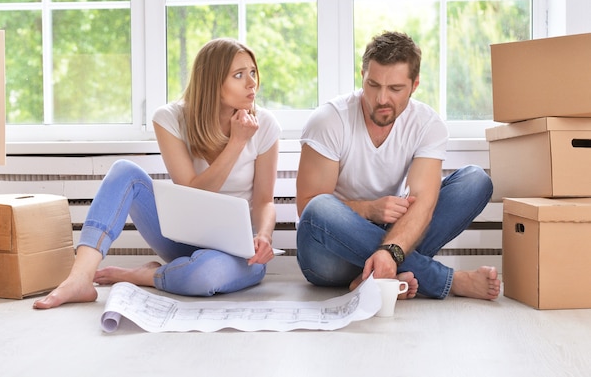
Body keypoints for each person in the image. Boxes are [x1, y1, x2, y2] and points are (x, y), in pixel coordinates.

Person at [34, 38, 281, 309]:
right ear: (212, 82)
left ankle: (146, 275)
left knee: (205, 275)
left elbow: (264, 201)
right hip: (182, 238)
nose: (251, 83)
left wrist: (265, 237)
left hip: (236, 253)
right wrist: (236, 143)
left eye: (253, 72)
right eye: (239, 75)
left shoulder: (265, 124)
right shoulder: (170, 118)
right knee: (124, 172)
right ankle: (80, 278)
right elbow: (192, 191)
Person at [295, 30, 500, 301]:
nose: (381, 99)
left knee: (475, 180)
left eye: (395, 89)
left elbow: (424, 202)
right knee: (320, 207)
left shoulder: (427, 124)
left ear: (414, 85)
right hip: (330, 255)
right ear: (362, 76)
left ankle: (376, 277)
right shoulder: (330, 120)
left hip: (390, 244)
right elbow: (307, 206)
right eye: (373, 85)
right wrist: (370, 209)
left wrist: (391, 251)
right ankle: (447, 281)